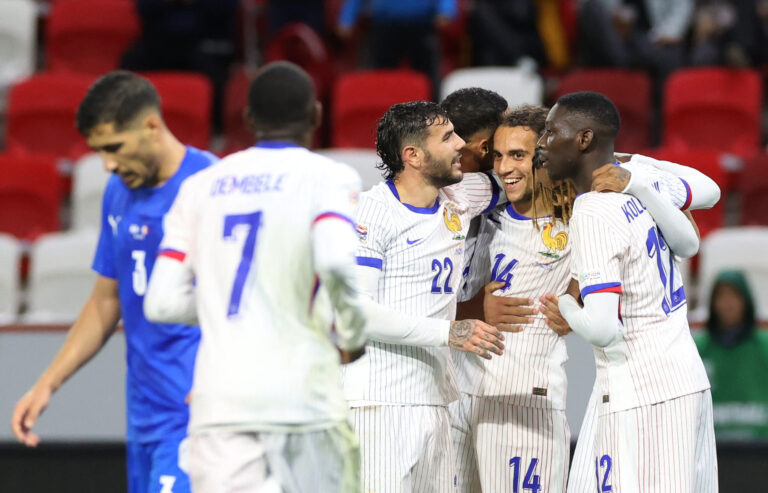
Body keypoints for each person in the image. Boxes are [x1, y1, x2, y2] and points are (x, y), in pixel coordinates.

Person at [451, 105, 717, 492]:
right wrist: (477, 308)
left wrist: (573, 296)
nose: (504, 166)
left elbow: (693, 219)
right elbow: (689, 240)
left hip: (533, 399)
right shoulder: (486, 213)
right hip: (462, 394)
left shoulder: (583, 212)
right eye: (498, 155)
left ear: (546, 152)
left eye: (520, 155)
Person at [143, 61, 367, 493]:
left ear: (247, 120)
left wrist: (224, 301)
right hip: (305, 402)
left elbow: (161, 302)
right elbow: (337, 262)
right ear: (316, 115)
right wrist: (353, 333)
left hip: (220, 405)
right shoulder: (329, 177)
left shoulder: (199, 187)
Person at [11, 71, 218, 493]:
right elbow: (106, 301)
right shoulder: (118, 190)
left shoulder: (211, 188)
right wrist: (46, 384)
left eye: (114, 148)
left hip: (196, 417)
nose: (107, 164)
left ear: (151, 126)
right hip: (143, 417)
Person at [538, 91, 718, 492]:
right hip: (681, 380)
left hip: (643, 393)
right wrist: (639, 179)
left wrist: (567, 303)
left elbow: (603, 329)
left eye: (551, 132)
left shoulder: (594, 210)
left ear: (584, 139)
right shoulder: (636, 183)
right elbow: (694, 229)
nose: (543, 143)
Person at [344, 100, 506, 492]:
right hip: (380, 404)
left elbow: (526, 176)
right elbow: (357, 313)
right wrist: (447, 333)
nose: (461, 144)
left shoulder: (458, 196)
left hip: (434, 399)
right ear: (413, 156)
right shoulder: (372, 212)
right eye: (448, 137)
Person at [695, 270, 768, 439]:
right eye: (721, 296)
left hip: (759, 452)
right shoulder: (698, 349)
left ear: (746, 301)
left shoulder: (763, 345)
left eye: (734, 296)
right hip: (713, 452)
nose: (728, 304)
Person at [336, 0, 457, 93]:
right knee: (381, 77)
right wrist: (347, 18)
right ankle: (382, 114)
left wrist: (446, 10)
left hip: (422, 26)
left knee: (428, 78)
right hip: (384, 26)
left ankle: (432, 114)